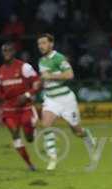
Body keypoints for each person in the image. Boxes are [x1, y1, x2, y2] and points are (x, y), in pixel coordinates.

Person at [37, 33, 95, 171]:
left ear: (51, 44)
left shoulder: (59, 58)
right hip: (50, 99)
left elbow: (70, 75)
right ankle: (53, 158)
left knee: (77, 131)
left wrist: (50, 75)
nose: (41, 46)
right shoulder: (41, 61)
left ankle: (86, 135)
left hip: (65, 99)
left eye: (44, 43)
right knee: (45, 124)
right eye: (39, 44)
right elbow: (45, 79)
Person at [0, 42, 40, 171]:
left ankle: (32, 130)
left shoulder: (24, 67)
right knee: (14, 133)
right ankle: (29, 164)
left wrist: (27, 94)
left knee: (29, 138)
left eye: (9, 50)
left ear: (14, 52)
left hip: (25, 108)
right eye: (4, 51)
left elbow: (37, 82)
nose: (6, 53)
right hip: (9, 110)